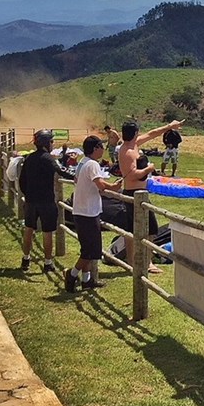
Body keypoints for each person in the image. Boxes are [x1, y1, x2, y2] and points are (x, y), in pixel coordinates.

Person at [118, 119, 183, 271]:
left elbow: (152, 134)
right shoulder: (127, 152)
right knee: (148, 228)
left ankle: (139, 260)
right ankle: (141, 262)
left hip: (140, 192)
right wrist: (149, 168)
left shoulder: (133, 145)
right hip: (133, 193)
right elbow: (132, 175)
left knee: (138, 229)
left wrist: (170, 126)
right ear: (135, 133)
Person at [64, 135, 116, 292]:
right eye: (101, 147)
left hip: (80, 210)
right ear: (95, 148)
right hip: (88, 213)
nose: (103, 150)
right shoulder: (93, 164)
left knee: (86, 248)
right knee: (90, 250)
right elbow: (100, 185)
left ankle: (86, 280)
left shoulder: (82, 162)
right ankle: (72, 275)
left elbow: (76, 180)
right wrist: (114, 187)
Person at [18, 129, 60, 273]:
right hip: (46, 201)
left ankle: (25, 259)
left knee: (29, 229)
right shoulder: (48, 158)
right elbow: (60, 170)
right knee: (48, 232)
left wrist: (28, 194)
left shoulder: (29, 158)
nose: (53, 144)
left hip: (31, 200)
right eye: (51, 141)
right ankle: (48, 262)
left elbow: (22, 180)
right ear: (46, 143)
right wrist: (76, 176)